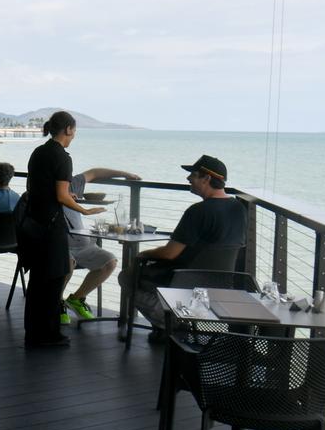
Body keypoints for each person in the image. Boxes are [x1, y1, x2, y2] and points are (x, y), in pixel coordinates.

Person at [121, 155, 246, 342]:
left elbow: (170, 253)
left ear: (207, 179)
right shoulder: (238, 208)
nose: (188, 179)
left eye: (193, 175)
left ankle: (171, 324)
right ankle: (169, 325)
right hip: (222, 279)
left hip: (184, 279)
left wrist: (144, 253)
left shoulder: (198, 211)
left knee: (127, 277)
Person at [19, 111, 105, 348]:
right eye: (74, 130)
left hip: (35, 222)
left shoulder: (39, 152)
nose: (74, 134)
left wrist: (66, 195)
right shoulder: (62, 157)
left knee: (39, 281)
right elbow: (60, 195)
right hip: (52, 226)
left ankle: (33, 333)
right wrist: (85, 211)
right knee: (54, 279)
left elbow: (37, 187)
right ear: (68, 129)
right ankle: (47, 334)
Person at [60, 167, 141, 321]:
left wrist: (126, 173)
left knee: (109, 262)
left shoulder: (73, 184)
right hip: (60, 247)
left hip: (84, 245)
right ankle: (56, 304)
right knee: (67, 263)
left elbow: (95, 173)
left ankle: (76, 299)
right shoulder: (44, 190)